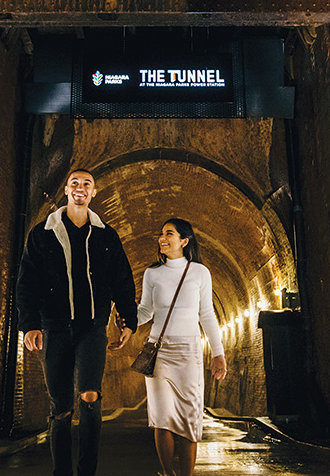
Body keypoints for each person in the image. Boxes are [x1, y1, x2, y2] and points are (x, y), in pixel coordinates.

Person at [16, 168, 138, 476]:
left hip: (92, 328)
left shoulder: (107, 235)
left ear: (94, 192)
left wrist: (128, 320)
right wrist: (29, 324)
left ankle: (87, 470)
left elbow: (122, 280)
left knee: (90, 396)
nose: (80, 188)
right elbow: (26, 282)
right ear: (67, 190)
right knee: (61, 408)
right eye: (75, 183)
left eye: (87, 184)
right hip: (54, 328)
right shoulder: (42, 233)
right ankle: (62, 472)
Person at [133, 218, 228, 476]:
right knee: (162, 419)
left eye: (169, 234)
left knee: (189, 420)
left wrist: (218, 353)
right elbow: (145, 311)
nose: (162, 238)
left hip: (189, 352)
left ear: (184, 241)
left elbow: (207, 314)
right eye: (161, 234)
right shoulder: (152, 274)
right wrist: (127, 318)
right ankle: (167, 473)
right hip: (159, 352)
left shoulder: (200, 272)